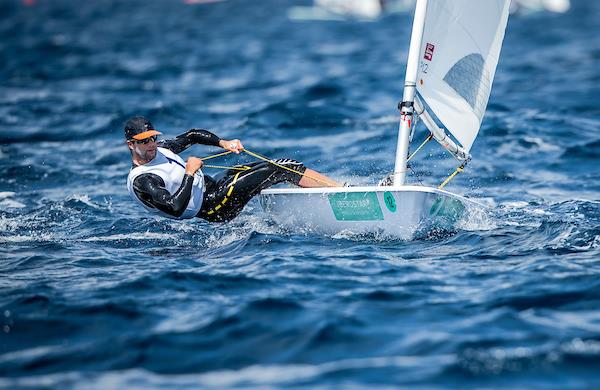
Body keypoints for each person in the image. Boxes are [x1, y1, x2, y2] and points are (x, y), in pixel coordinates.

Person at [125, 116, 341, 222]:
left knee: (277, 166)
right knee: (281, 168)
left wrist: (224, 143)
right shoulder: (144, 180)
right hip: (213, 206)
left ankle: (322, 196)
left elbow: (192, 135)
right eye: (144, 142)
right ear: (131, 145)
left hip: (216, 184)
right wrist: (190, 172)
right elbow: (174, 208)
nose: (151, 144)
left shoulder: (161, 148)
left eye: (152, 138)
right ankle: (341, 193)